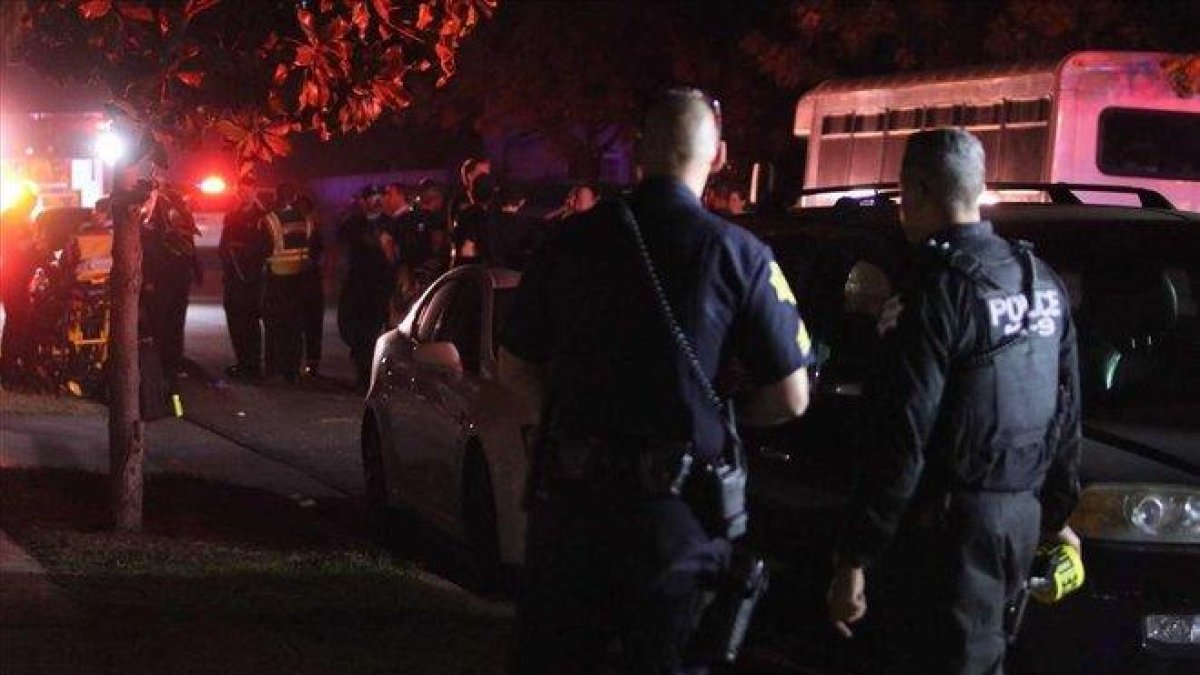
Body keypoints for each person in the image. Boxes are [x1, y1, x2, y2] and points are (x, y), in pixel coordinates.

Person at [500, 86, 814, 675]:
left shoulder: (567, 241)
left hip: (572, 515)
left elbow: (515, 364)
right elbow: (792, 395)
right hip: (676, 526)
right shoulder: (740, 254)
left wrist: (567, 421)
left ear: (639, 151)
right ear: (718, 156)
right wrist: (725, 419)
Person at [826, 128, 1083, 675]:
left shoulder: (933, 290)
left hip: (948, 533)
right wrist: (1056, 514)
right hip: (1019, 518)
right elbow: (1066, 412)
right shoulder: (1041, 281)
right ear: (979, 186)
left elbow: (903, 433)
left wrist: (856, 554)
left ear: (915, 191)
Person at [141, 182, 202, 382]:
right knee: (174, 325)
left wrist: (149, 281)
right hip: (177, 282)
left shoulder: (155, 227)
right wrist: (196, 272)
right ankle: (171, 364)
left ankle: (164, 365)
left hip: (162, 284)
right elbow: (190, 250)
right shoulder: (181, 221)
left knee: (161, 325)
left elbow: (151, 255)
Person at [262, 182, 320, 382]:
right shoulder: (306, 221)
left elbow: (263, 250)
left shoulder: (270, 220)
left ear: (277, 197)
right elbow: (312, 248)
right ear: (294, 197)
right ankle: (292, 370)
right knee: (294, 328)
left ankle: (273, 369)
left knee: (274, 326)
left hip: (277, 279)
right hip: (300, 281)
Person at [338, 184, 393, 389]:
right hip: (357, 285)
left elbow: (393, 255)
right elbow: (341, 238)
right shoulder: (354, 223)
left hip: (379, 285)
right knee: (356, 330)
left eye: (378, 196)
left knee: (373, 331)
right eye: (371, 197)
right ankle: (362, 373)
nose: (376, 200)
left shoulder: (389, 223)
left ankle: (370, 377)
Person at [218, 176, 270, 379]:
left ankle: (253, 366)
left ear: (255, 191)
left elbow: (265, 248)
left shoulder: (263, 218)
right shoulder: (232, 217)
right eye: (241, 190)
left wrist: (244, 254)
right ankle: (242, 362)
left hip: (253, 280)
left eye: (248, 190)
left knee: (250, 324)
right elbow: (224, 246)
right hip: (233, 280)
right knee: (235, 323)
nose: (244, 194)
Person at [0, 186, 40, 388]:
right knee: (18, 324)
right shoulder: (11, 219)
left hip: (18, 277)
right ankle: (9, 370)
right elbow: (16, 246)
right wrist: (35, 239)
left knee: (17, 324)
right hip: (13, 277)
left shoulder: (16, 217)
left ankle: (11, 367)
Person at [295, 193, 325, 376]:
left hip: (312, 281)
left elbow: (323, 254)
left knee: (313, 324)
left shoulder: (318, 229)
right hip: (298, 281)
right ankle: (299, 361)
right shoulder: (295, 229)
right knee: (298, 324)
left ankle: (312, 363)